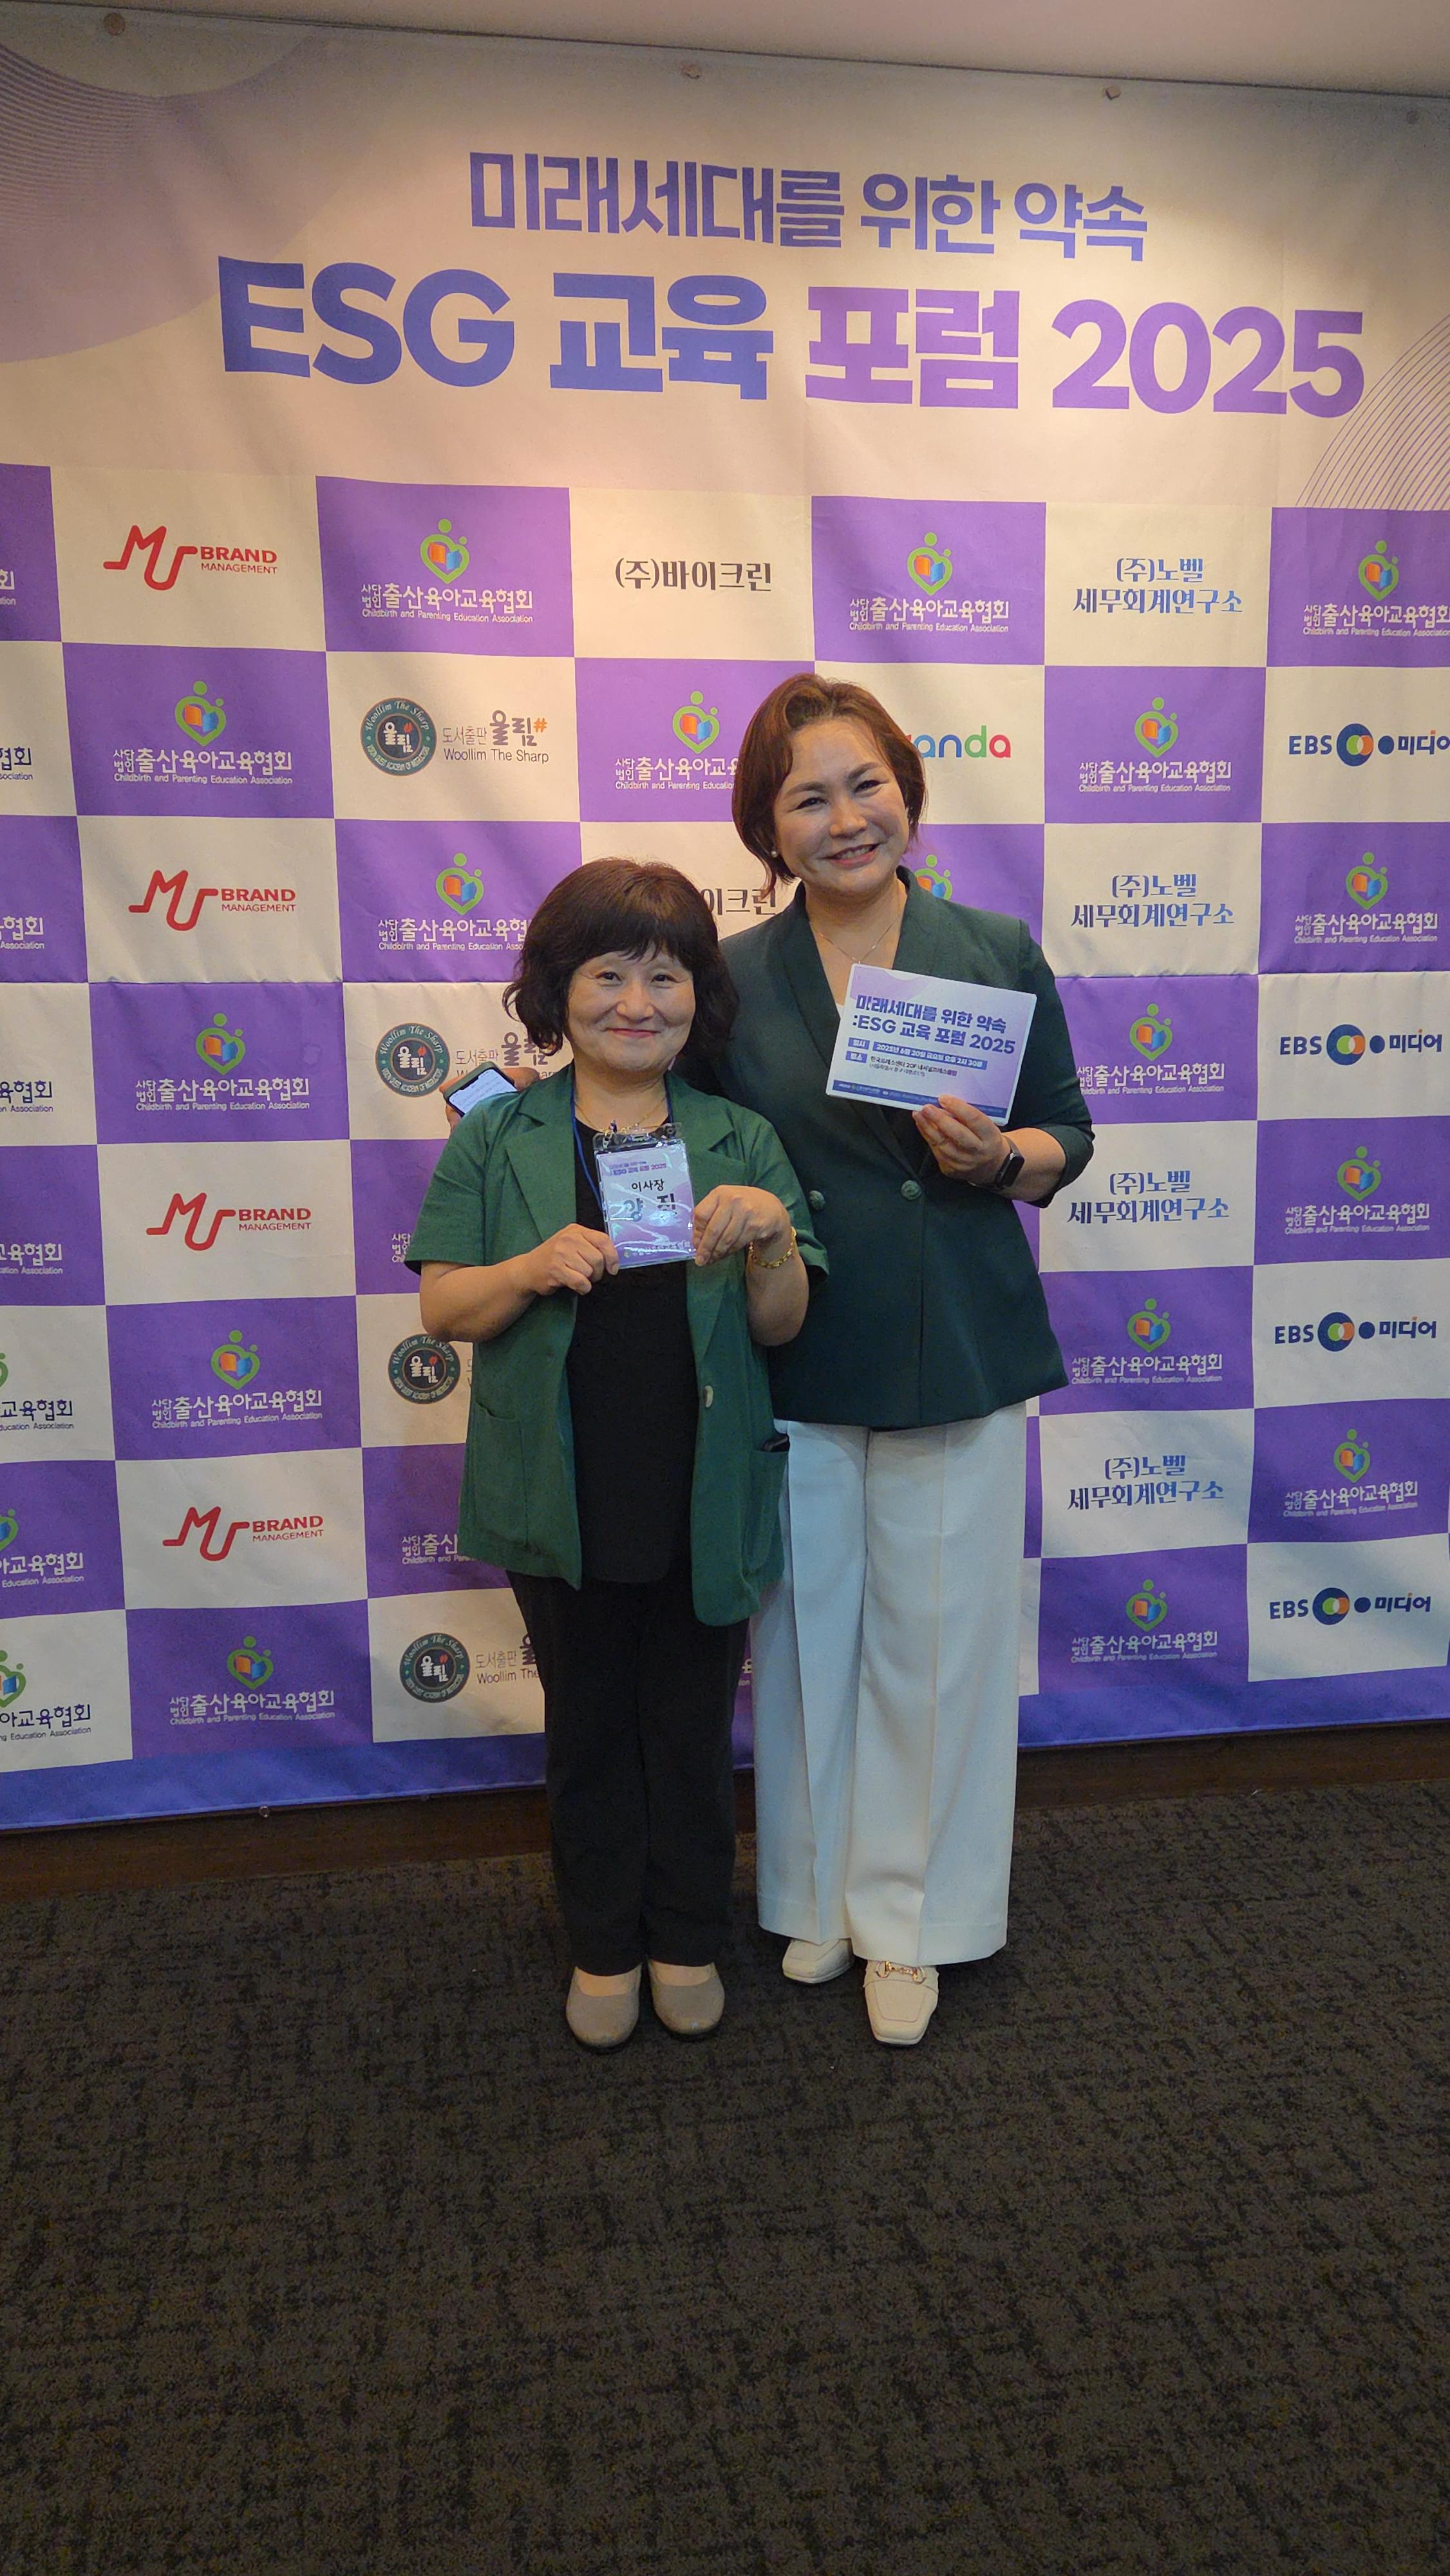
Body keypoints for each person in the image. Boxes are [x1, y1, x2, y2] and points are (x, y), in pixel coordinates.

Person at [712, 672, 1094, 2046]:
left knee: (936, 1646)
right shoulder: (729, 976)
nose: (844, 818)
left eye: (864, 784)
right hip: (794, 1338)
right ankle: (816, 1896)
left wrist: (1001, 1157)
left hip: (955, 1338)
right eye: (806, 798)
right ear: (768, 828)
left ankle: (917, 1920)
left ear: (908, 791)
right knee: (805, 1638)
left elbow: (1066, 1135)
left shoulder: (990, 948)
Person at [405, 862, 824, 2051]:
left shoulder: (740, 1136)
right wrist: (532, 1265)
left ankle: (686, 1938)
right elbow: (444, 1308)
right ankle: (601, 1948)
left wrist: (770, 1235)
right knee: (587, 1729)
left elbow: (781, 1324)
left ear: (700, 997)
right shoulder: (499, 1134)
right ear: (558, 990)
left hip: (702, 1483)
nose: (638, 1003)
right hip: (560, 1490)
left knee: (690, 1733)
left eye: (666, 976)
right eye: (608, 975)